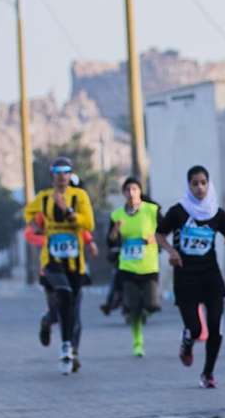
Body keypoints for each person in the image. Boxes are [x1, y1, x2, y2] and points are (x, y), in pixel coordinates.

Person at [156, 165, 225, 388]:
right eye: (195, 183)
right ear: (189, 186)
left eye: (203, 182)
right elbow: (159, 234)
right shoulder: (179, 211)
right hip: (185, 277)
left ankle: (208, 373)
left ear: (208, 184)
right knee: (195, 329)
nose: (200, 188)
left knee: (215, 327)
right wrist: (171, 251)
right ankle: (187, 342)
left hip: (211, 277)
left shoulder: (215, 212)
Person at [24, 156, 95, 374]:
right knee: (61, 295)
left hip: (74, 262)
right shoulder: (44, 197)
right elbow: (29, 215)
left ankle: (72, 350)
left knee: (72, 305)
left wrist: (69, 212)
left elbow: (89, 223)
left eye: (65, 171)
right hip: (51, 260)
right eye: (57, 171)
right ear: (52, 174)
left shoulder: (79, 196)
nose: (61, 175)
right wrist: (37, 225)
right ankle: (64, 344)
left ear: (70, 174)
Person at [109, 177, 161, 356]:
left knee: (152, 304)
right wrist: (115, 231)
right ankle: (138, 343)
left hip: (149, 265)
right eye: (128, 190)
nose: (131, 193)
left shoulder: (152, 210)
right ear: (123, 193)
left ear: (140, 191)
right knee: (133, 308)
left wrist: (155, 238)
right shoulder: (117, 215)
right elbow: (110, 240)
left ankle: (147, 312)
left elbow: (166, 228)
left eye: (135, 189)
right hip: (128, 266)